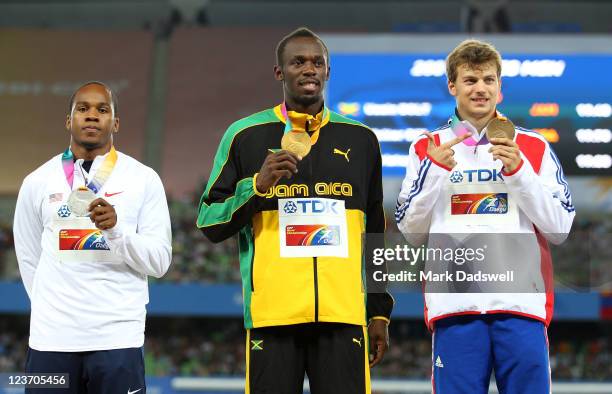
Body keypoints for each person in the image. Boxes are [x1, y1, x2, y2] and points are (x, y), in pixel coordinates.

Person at [197, 27, 393, 394]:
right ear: (279, 73)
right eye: (298, 62)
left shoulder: (361, 139)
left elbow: (376, 233)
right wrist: (256, 187)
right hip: (274, 315)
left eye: (317, 62)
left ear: (328, 72)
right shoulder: (246, 135)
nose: (309, 69)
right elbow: (209, 220)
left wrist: (379, 311)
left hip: (344, 313)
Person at [396, 39, 575, 393]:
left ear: (500, 88)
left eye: (489, 80)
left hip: (521, 307)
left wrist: (519, 172)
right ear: (452, 86)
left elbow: (559, 228)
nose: (480, 89)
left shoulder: (533, 146)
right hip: (456, 308)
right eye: (470, 80)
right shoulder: (427, 146)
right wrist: (434, 171)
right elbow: (411, 232)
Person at [13, 81, 172, 393]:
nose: (91, 116)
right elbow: (29, 257)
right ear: (68, 120)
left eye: (102, 109)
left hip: (117, 339)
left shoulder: (143, 179)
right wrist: (54, 308)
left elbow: (160, 261)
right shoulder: (36, 181)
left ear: (115, 122)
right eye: (82, 109)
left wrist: (117, 231)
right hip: (50, 339)